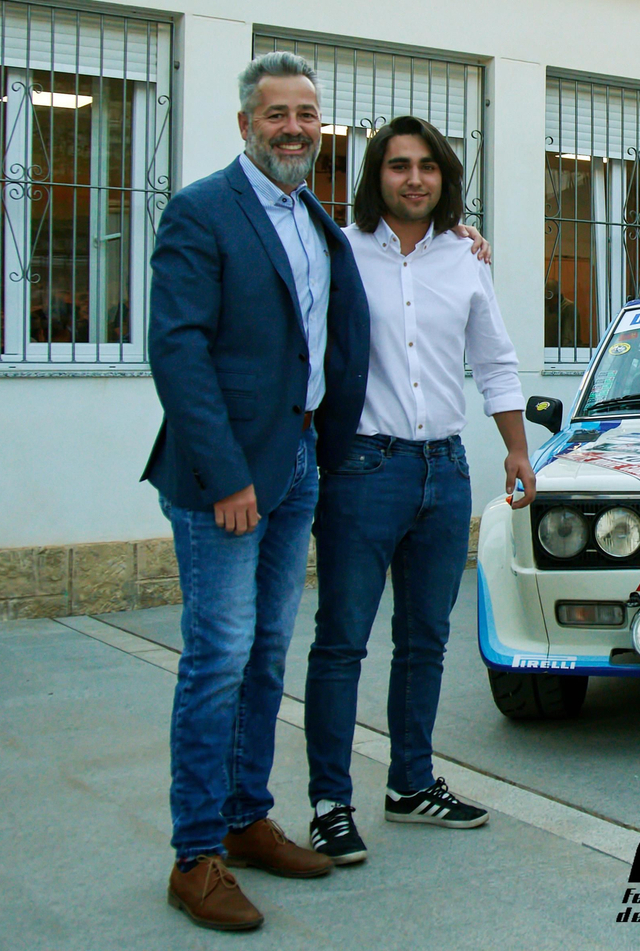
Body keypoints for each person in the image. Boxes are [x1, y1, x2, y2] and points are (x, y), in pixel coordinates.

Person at [143, 52, 369, 931]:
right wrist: (226, 475)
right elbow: (178, 351)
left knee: (267, 654)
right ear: (246, 124)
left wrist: (461, 232)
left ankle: (245, 819)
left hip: (299, 462)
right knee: (217, 659)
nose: (294, 129)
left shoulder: (315, 217)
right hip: (226, 479)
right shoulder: (202, 210)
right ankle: (194, 855)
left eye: (307, 115)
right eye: (277, 114)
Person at [302, 116, 537, 866]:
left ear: (444, 178)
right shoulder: (338, 250)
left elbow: (494, 360)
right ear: (377, 175)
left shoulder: (465, 257)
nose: (414, 178)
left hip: (446, 471)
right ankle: (330, 804)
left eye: (428, 166)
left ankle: (410, 783)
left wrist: (516, 450)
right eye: (399, 165)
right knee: (342, 642)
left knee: (425, 640)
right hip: (363, 470)